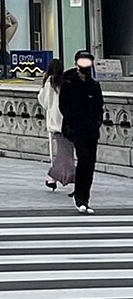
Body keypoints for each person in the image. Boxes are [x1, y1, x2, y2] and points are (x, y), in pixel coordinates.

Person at [59, 51, 104, 214]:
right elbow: (63, 106)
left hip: (91, 129)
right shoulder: (69, 81)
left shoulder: (94, 84)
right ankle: (79, 198)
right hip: (76, 128)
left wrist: (97, 122)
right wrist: (72, 123)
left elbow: (99, 106)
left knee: (90, 164)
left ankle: (85, 197)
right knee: (84, 159)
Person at [37, 59, 75, 193]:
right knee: (65, 150)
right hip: (68, 120)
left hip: (55, 121)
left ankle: (62, 176)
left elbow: (44, 101)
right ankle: (53, 178)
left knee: (64, 152)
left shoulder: (50, 82)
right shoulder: (66, 82)